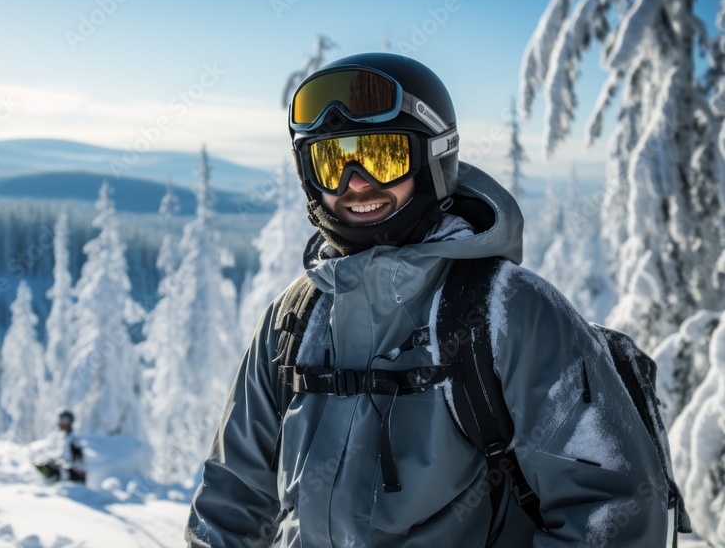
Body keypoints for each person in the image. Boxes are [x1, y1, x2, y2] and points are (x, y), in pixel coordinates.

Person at [186, 53, 671, 546]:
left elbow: (614, 515)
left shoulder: (507, 310)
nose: (355, 182)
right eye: (331, 160)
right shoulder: (294, 319)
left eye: (382, 156)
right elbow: (231, 500)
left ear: (432, 157)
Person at [35, 409, 86, 484]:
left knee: (43, 466)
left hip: (72, 476)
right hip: (67, 471)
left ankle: (55, 484)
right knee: (40, 464)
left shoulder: (73, 440)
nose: (60, 425)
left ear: (69, 423)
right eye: (60, 422)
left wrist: (59, 464)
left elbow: (75, 463)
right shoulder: (66, 438)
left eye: (63, 423)